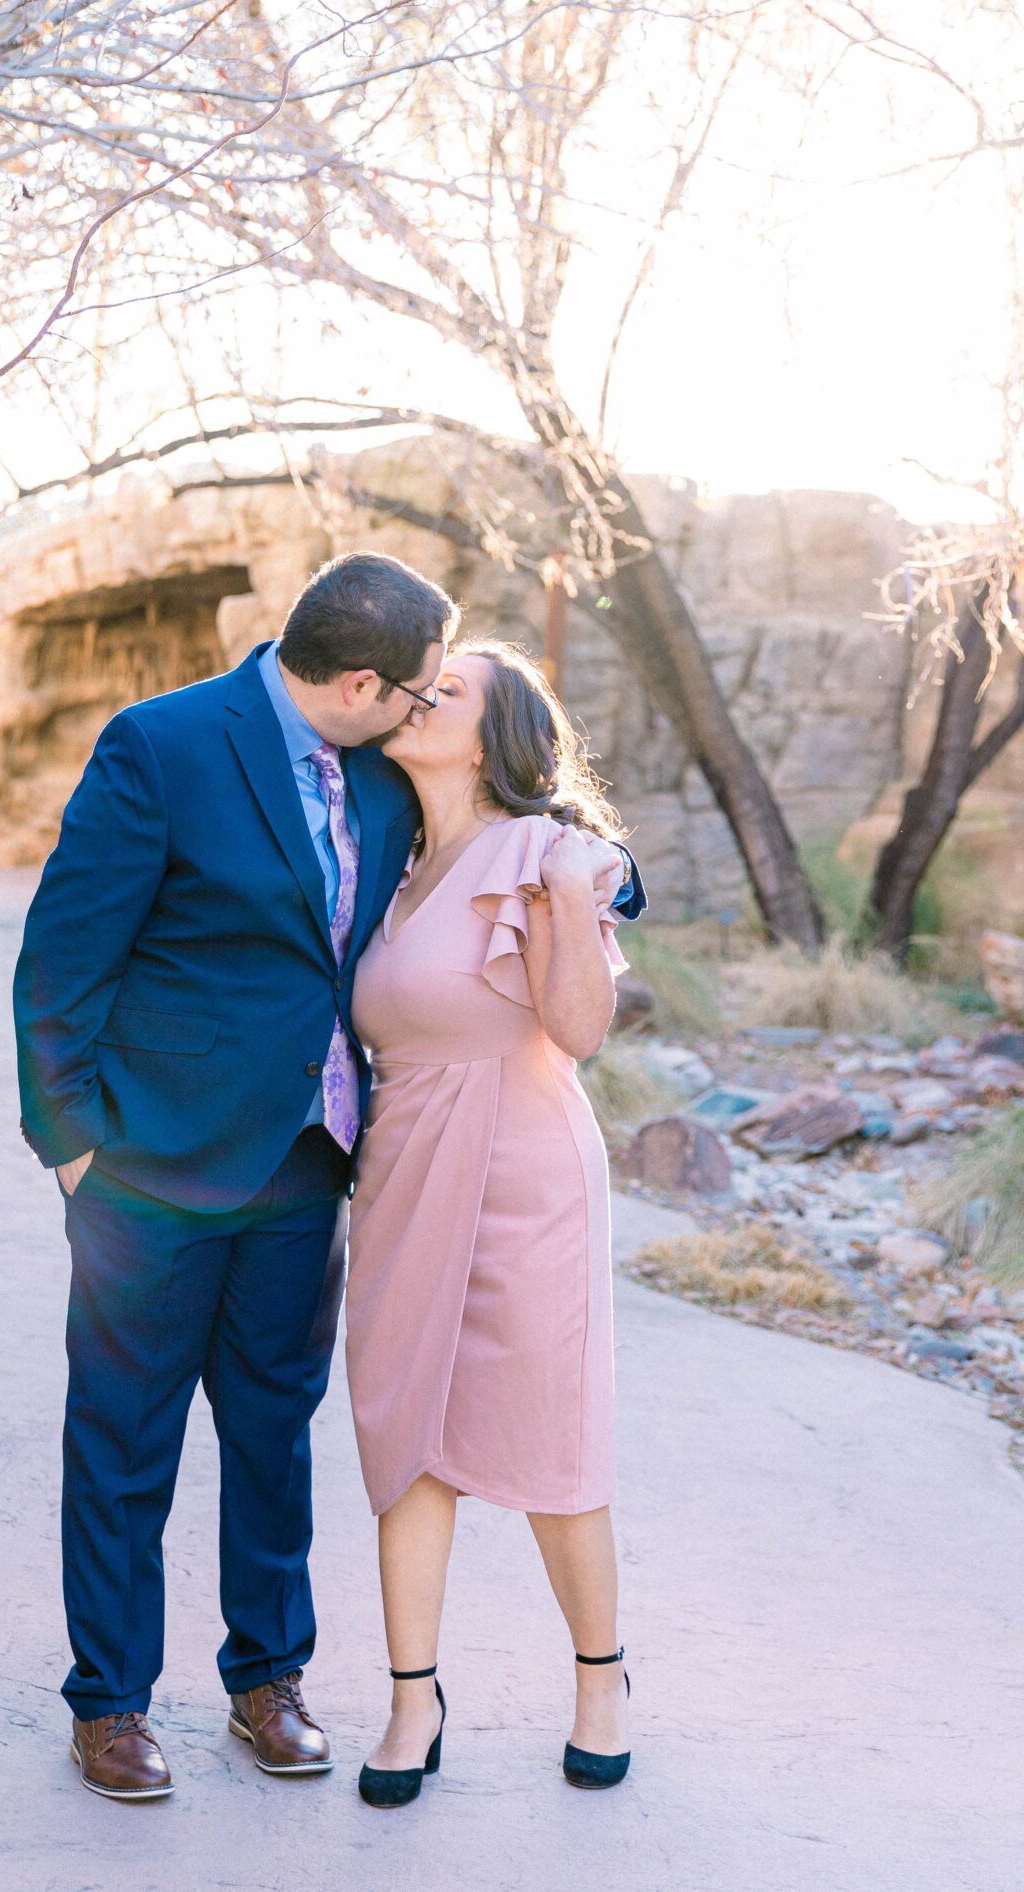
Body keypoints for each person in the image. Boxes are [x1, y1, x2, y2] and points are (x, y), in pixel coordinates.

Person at [12, 553, 641, 1801]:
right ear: (362, 681)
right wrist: (72, 1146)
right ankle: (113, 1704)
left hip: (313, 1166)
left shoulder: (381, 773)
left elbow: (537, 835)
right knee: (124, 1440)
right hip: (149, 1168)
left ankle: (267, 1680)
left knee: (272, 1435)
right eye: (414, 691)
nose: (422, 711)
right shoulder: (162, 745)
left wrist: (612, 873)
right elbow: (62, 959)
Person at [345, 640, 643, 1807]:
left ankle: (601, 1678)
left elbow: (578, 1030)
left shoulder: (544, 851)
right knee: (404, 1429)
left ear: (493, 731)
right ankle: (413, 1697)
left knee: (552, 1436)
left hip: (527, 1172)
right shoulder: (398, 860)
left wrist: (576, 890)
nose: (421, 700)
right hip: (405, 1166)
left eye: (448, 691)